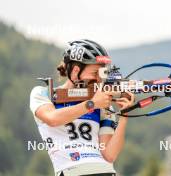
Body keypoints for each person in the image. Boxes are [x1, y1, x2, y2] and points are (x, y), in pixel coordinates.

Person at [29, 39, 134, 176]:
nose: (99, 80)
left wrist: (124, 116)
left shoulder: (101, 103)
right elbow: (52, 119)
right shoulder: (43, 93)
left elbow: (109, 155)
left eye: (102, 74)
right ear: (75, 71)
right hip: (71, 171)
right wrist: (92, 104)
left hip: (106, 171)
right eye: (95, 73)